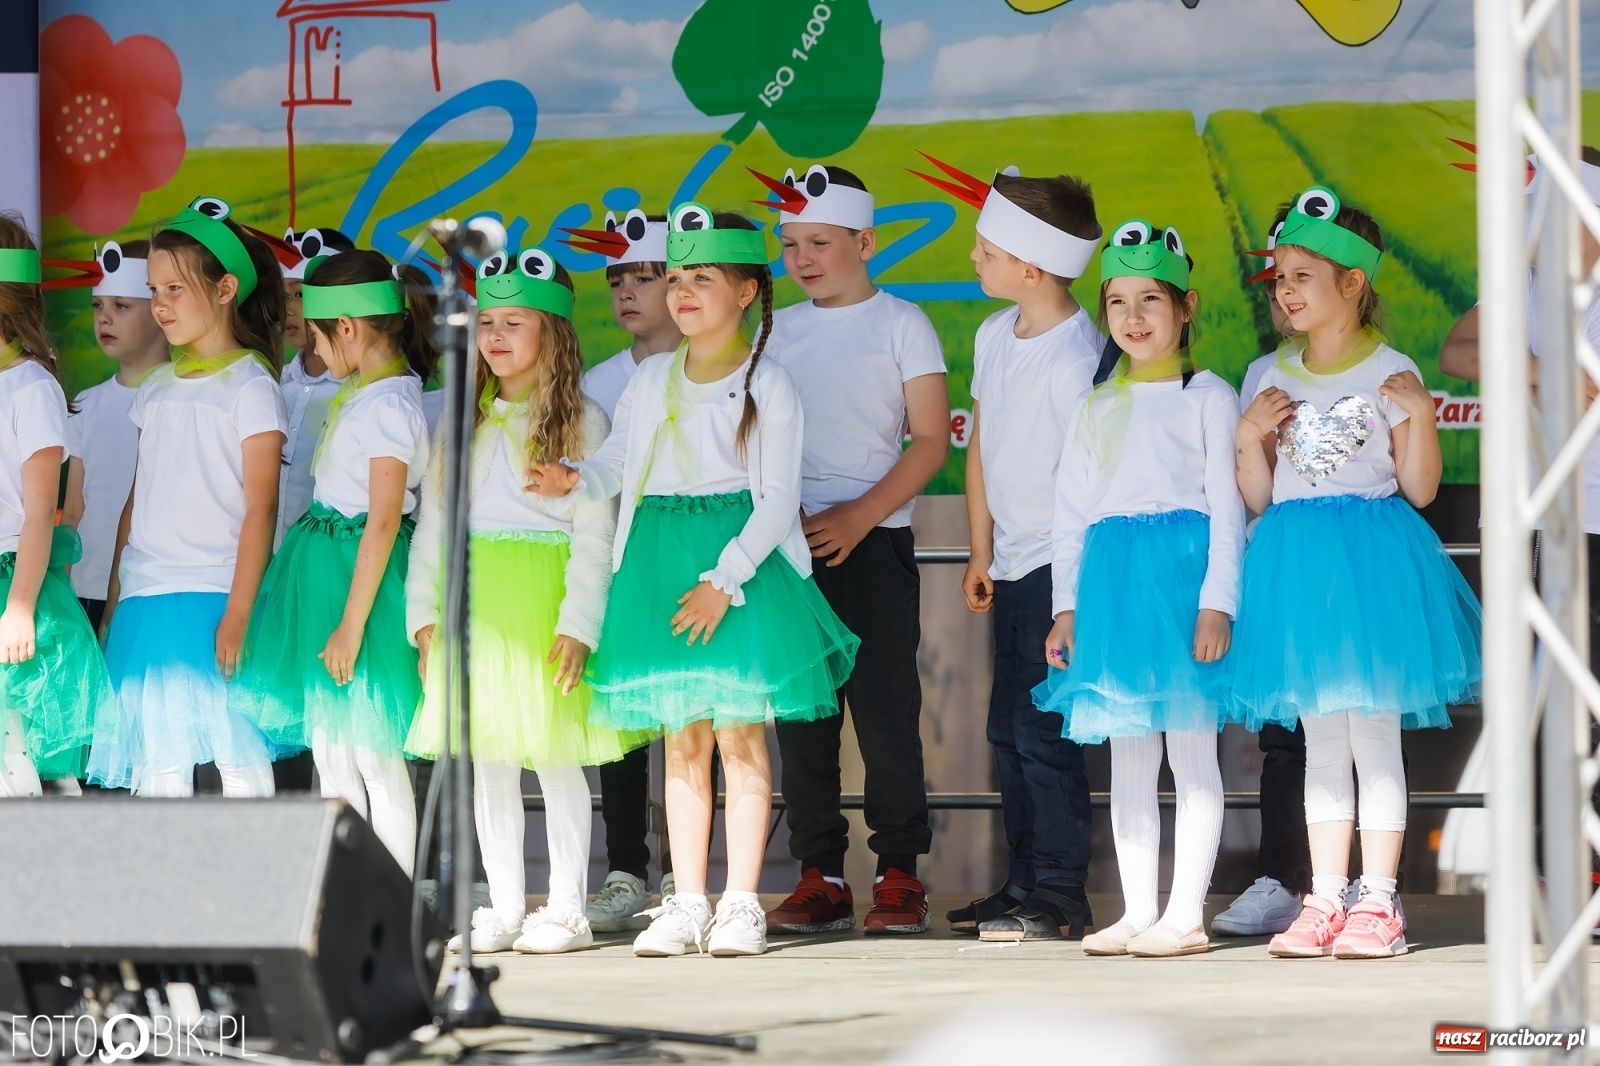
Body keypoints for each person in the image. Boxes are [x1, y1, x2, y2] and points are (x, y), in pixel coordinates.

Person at [527, 204, 858, 958]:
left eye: (701, 278)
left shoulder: (768, 383)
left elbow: (778, 500)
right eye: (675, 278)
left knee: (740, 738)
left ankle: (740, 902)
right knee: (682, 742)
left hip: (737, 568)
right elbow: (618, 464)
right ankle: (685, 901)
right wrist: (573, 478)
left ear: (745, 291)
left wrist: (725, 581)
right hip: (661, 564)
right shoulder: (650, 379)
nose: (681, 292)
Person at [1232, 185, 1482, 959]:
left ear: (1352, 282)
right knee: (1320, 740)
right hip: (1298, 575)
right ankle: (1324, 898)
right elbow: (1259, 496)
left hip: (1371, 572)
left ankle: (1379, 901)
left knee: (1372, 736)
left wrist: (1422, 415)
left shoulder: (1393, 370)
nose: (1286, 291)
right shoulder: (1270, 375)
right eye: (1280, 278)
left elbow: (1421, 489)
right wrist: (1248, 436)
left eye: (1302, 276)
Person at [407, 247, 646, 954]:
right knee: (489, 761)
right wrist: (424, 614)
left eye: (515, 322)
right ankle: (506, 907)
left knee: (554, 758)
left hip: (542, 606)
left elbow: (596, 537)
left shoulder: (583, 421)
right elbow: (436, 525)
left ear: (555, 331)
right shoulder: (463, 420)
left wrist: (579, 624)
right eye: (487, 323)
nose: (496, 336)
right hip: (475, 608)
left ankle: (567, 906)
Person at [1034, 220, 1242, 957]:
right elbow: (1070, 515)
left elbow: (1229, 509)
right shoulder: (1096, 404)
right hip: (1112, 584)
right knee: (1128, 752)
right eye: (1117, 301)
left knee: (1190, 748)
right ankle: (1136, 910)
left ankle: (1185, 915)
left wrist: (1218, 602)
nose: (1133, 316)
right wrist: (1066, 608)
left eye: (1150, 298)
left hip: (1183, 584)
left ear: (1186, 306)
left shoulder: (1209, 396)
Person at [751, 164, 949, 935]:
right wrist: (782, 515)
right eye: (791, 244)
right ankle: (820, 875)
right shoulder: (773, 330)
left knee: (886, 715)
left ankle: (899, 872)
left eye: (820, 242)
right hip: (790, 549)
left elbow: (930, 441)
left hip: (874, 545)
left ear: (865, 242)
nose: (802, 259)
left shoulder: (903, 323)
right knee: (803, 718)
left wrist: (861, 515)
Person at [911, 156, 1103, 941]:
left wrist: (1071, 595)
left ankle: (1060, 894)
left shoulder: (1078, 356)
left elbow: (1088, 483)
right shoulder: (995, 334)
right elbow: (982, 447)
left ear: (1031, 267)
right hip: (1013, 564)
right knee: (1007, 731)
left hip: (1061, 569)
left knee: (1045, 732)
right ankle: (1020, 883)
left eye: (985, 251)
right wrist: (979, 549)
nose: (973, 258)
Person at [233, 250, 435, 869]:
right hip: (321, 576)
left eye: (319, 336)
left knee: (375, 754)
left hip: (360, 589)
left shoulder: (392, 404)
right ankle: (343, 893)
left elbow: (383, 519)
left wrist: (350, 625)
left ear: (346, 326)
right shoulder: (362, 391)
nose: (314, 349)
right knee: (331, 750)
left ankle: (395, 896)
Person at [87, 196, 289, 798]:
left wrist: (240, 611)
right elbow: (137, 499)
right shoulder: (154, 390)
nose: (160, 304)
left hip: (217, 593)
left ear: (225, 289)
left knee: (238, 755)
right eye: (154, 290)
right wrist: (117, 597)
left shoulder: (251, 385)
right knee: (158, 765)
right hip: (147, 598)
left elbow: (261, 507)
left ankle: (262, 863)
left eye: (175, 289)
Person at [565, 207, 683, 929]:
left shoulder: (717, 370)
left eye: (645, 276)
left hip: (694, 568)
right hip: (618, 571)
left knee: (696, 723)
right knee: (623, 722)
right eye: (616, 280)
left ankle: (688, 875)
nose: (628, 292)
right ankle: (626, 872)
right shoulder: (599, 382)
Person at [0, 212, 116, 798]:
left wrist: (20, 606)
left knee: (18, 745)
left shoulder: (32, 388)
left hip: (13, 580)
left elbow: (40, 511)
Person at [63, 240, 169, 632]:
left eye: (121, 306)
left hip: (150, 587)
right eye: (97, 305)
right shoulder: (85, 404)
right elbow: (73, 511)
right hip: (84, 589)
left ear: (160, 310)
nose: (104, 318)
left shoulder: (181, 399)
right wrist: (62, 586)